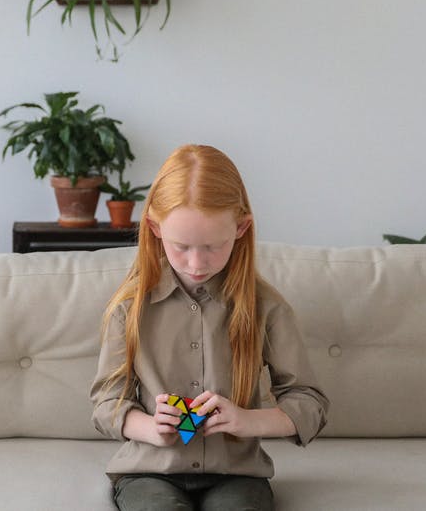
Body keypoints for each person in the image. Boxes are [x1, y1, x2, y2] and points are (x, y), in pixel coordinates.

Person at [90, 144, 329, 511]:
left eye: (213, 246)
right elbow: (107, 404)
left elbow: (309, 403)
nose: (197, 263)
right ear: (154, 228)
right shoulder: (129, 310)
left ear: (241, 229)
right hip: (149, 473)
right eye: (182, 246)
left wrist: (247, 421)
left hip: (237, 475)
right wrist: (150, 428)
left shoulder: (268, 308)